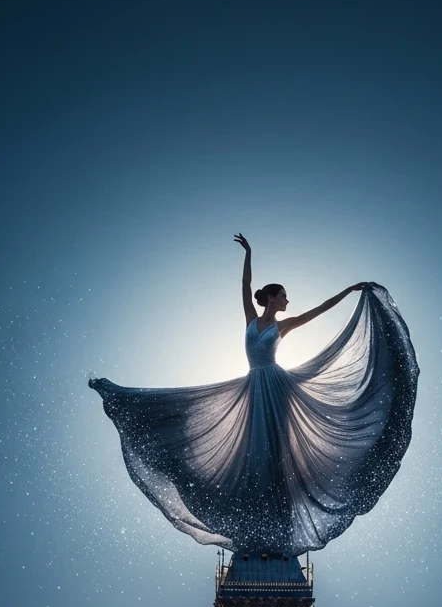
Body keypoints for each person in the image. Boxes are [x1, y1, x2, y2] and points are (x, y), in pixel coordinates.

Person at [89, 235, 419, 556]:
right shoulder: (251, 320)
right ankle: (259, 519)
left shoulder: (284, 325)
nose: (288, 301)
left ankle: (279, 516)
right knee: (253, 453)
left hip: (277, 390)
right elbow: (246, 287)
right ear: (272, 298)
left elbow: (319, 310)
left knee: (276, 454)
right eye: (284, 296)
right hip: (254, 388)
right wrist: (248, 253)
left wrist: (348, 291)